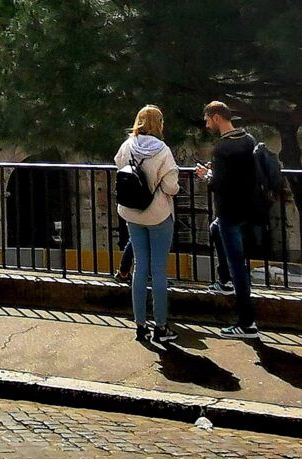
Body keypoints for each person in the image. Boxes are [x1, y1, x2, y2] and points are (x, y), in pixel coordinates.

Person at [194, 101, 270, 338]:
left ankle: (247, 323)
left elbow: (219, 184)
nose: (206, 125)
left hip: (229, 211)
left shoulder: (222, 148)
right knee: (214, 229)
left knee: (239, 265)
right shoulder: (248, 140)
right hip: (248, 208)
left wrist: (206, 176)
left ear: (216, 117)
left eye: (207, 120)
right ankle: (224, 278)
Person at [114, 104, 183, 346]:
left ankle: (140, 325)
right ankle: (161, 326)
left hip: (132, 214)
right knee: (159, 270)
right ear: (159, 124)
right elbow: (171, 187)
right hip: (158, 215)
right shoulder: (163, 151)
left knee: (139, 267)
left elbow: (118, 165)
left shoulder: (127, 145)